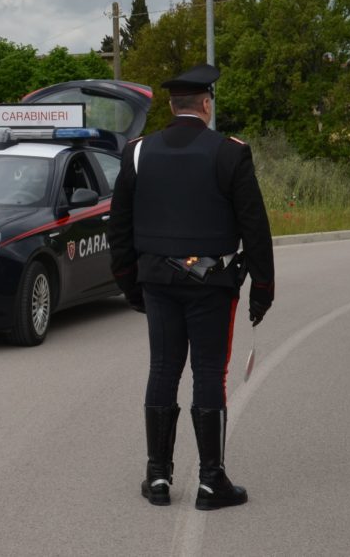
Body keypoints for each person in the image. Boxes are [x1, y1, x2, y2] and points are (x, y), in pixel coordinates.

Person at [108, 64, 275, 511]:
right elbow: (255, 227)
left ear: (170, 105)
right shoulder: (230, 153)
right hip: (212, 284)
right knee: (208, 373)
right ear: (206, 104)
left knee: (163, 370)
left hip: (156, 281)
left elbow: (119, 227)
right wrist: (263, 288)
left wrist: (128, 283)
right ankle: (211, 481)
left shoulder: (138, 152)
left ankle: (158, 478)